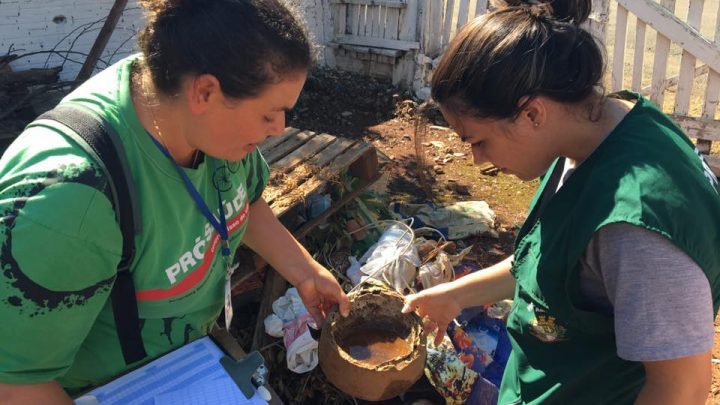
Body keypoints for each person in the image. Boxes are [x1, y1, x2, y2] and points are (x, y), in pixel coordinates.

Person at [0, 0, 350, 403]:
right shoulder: (68, 200)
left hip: (188, 365)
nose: (280, 129)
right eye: (271, 114)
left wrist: (305, 272)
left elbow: (245, 203)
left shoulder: (198, 116)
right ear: (205, 91)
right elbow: (15, 383)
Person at [402, 0, 720, 403]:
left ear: (532, 114)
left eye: (478, 141)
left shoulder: (634, 227)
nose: (476, 160)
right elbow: (551, 263)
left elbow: (681, 389)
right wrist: (454, 295)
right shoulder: (595, 130)